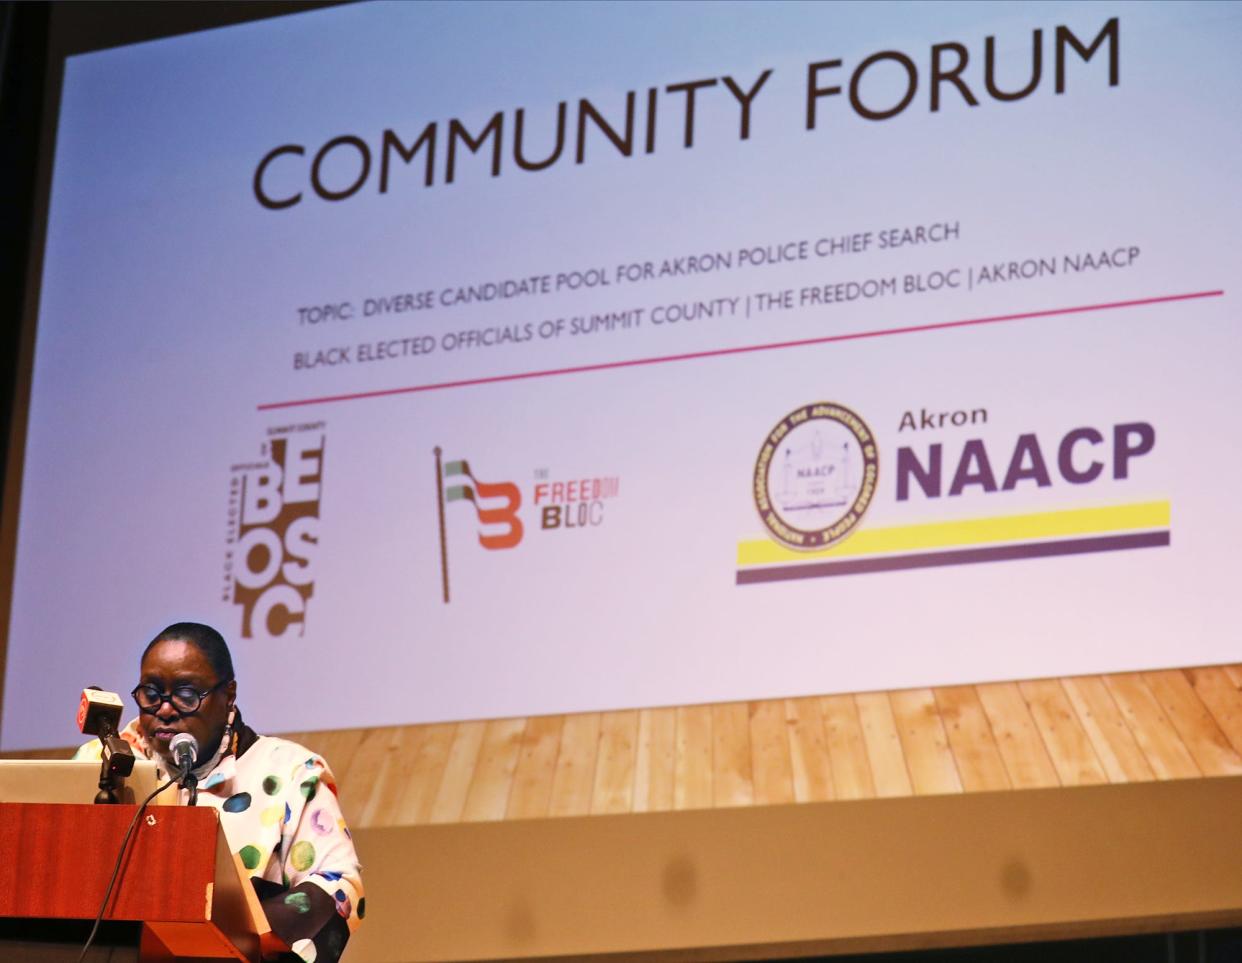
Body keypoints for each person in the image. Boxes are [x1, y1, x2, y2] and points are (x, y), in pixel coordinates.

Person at [75, 622, 363, 963]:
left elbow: (338, 884)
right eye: (151, 694)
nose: (165, 709)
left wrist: (236, 933)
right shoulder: (101, 764)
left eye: (186, 694)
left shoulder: (290, 772)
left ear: (229, 695)